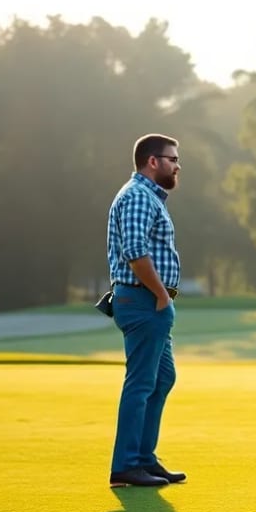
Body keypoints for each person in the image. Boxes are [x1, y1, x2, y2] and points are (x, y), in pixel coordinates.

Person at [106, 134, 187, 488]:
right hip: (143, 299)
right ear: (152, 161)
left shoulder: (148, 197)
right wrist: (161, 295)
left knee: (163, 378)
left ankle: (143, 458)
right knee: (140, 382)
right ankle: (125, 466)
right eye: (171, 159)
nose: (177, 165)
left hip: (147, 299)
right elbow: (136, 252)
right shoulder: (138, 196)